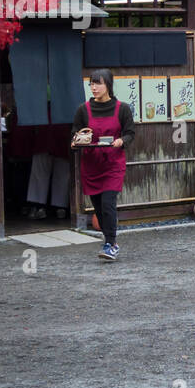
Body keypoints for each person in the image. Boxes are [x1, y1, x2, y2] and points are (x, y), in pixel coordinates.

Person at [72, 68, 135, 261]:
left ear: (108, 85)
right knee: (98, 207)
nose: (94, 87)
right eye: (91, 83)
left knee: (108, 203)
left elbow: (130, 133)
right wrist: (75, 142)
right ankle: (108, 241)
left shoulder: (122, 108)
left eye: (98, 83)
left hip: (113, 162)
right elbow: (76, 132)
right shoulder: (83, 109)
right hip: (91, 164)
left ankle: (111, 243)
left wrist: (121, 141)